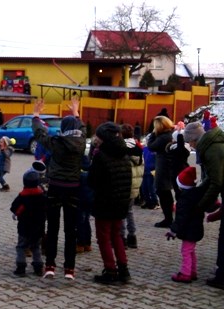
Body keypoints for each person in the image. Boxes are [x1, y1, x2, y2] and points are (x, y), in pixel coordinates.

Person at [32, 97, 86, 280]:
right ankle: (69, 269)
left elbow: (40, 134)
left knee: (53, 228)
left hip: (55, 186)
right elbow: (83, 129)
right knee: (71, 230)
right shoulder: (81, 142)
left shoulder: (57, 142)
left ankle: (50, 266)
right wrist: (76, 113)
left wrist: (36, 115)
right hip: (73, 188)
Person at [88, 122, 132, 285]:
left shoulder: (101, 156)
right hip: (121, 201)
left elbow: (92, 181)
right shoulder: (124, 154)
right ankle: (123, 268)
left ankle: (110, 270)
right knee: (117, 235)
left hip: (105, 202)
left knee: (104, 238)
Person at [183, 121, 224, 290]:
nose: (191, 146)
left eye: (190, 142)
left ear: (195, 139)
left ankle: (222, 276)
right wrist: (198, 192)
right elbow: (211, 178)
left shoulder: (211, 150)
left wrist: (201, 205)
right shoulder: (213, 145)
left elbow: (216, 182)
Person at [166, 166, 206, 283]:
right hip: (195, 229)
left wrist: (173, 230)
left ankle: (185, 273)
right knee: (191, 251)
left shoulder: (185, 199)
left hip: (189, 230)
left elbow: (181, 218)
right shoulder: (196, 196)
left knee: (185, 251)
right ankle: (192, 271)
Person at [10, 170, 47, 276]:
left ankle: (21, 268)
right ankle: (38, 268)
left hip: (24, 227)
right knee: (36, 247)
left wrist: (17, 213)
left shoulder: (22, 196)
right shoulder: (42, 196)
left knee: (21, 247)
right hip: (38, 228)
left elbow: (13, 207)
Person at [147, 115, 176, 228]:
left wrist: (153, 134)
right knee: (165, 192)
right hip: (167, 166)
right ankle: (169, 218)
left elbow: (151, 146)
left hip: (163, 167)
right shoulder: (169, 135)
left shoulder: (163, 137)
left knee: (162, 192)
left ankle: (168, 219)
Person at [120, 124, 144, 249]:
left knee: (120, 213)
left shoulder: (121, 148)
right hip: (135, 185)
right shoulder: (138, 147)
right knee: (129, 211)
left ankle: (121, 238)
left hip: (124, 184)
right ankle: (132, 237)